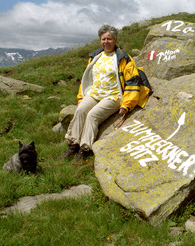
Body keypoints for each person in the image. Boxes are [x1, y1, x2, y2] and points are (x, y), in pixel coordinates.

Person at [60, 24, 149, 161]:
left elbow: (132, 80)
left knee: (92, 115)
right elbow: (87, 79)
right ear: (100, 40)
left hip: (113, 96)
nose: (106, 42)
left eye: (109, 39)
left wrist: (127, 104)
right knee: (80, 110)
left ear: (115, 40)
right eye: (103, 39)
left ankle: (85, 149)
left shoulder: (122, 58)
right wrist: (80, 97)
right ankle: (73, 144)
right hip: (94, 94)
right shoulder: (96, 56)